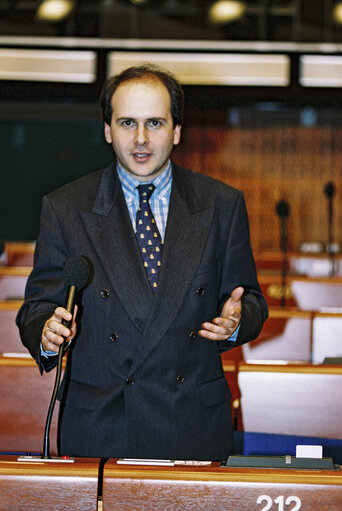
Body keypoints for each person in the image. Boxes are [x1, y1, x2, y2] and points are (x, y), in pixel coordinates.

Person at [16, 64, 268, 461]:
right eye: (126, 122)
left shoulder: (222, 204)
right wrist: (47, 333)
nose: (140, 139)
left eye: (155, 122)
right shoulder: (65, 208)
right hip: (100, 422)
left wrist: (237, 322)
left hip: (193, 422)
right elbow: (37, 308)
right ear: (107, 130)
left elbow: (249, 298)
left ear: (177, 131)